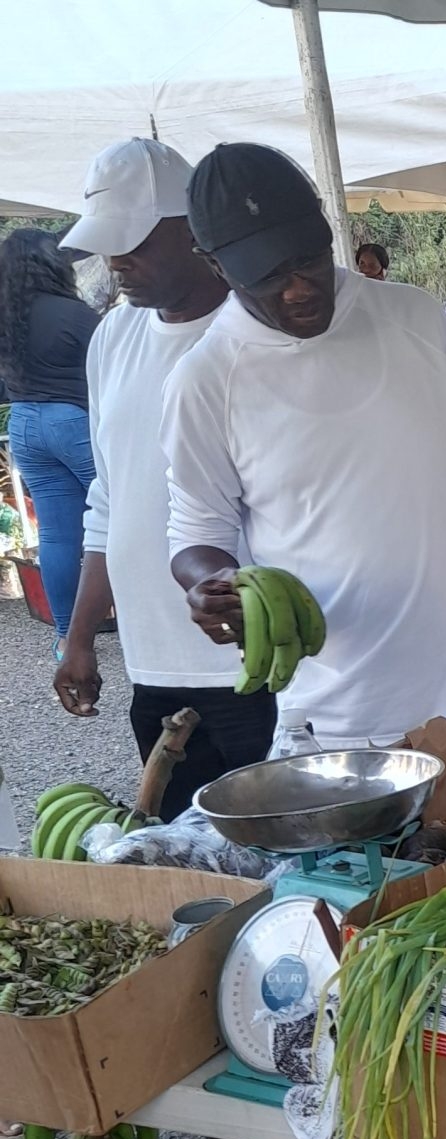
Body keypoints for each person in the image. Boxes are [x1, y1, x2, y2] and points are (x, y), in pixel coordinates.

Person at [163, 144, 446, 783]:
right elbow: (196, 533)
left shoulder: (415, 317)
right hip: (343, 725)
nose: (299, 287)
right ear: (215, 265)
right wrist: (210, 583)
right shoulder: (206, 378)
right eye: (268, 274)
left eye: (308, 259)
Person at [51, 140, 275, 819]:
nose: (117, 261)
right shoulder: (111, 337)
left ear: (193, 229)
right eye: (106, 243)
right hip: (154, 671)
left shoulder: (263, 336)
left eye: (135, 241)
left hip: (257, 670)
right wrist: (81, 636)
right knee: (186, 867)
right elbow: (109, 498)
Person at [0, 229, 99, 643]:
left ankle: (66, 636)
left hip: (23, 424)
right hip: (74, 421)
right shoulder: (73, 313)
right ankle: (137, 624)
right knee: (122, 523)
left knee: (58, 537)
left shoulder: (6, 317)